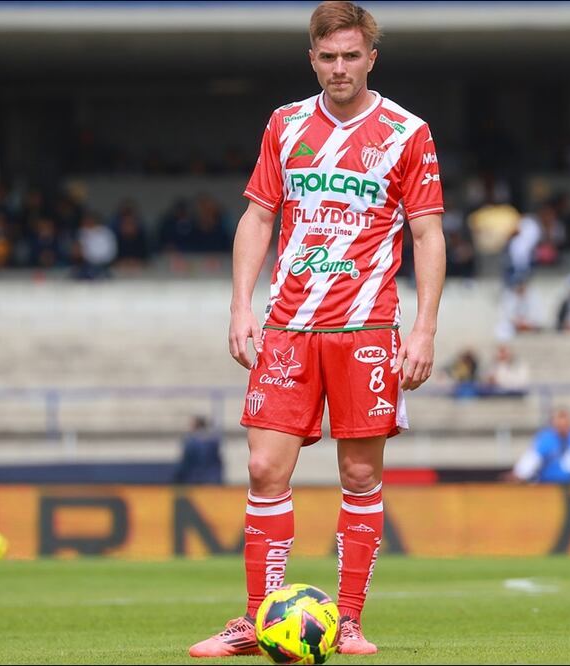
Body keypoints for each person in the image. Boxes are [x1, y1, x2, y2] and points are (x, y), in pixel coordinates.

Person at [190, 2, 445, 658]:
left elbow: (426, 232)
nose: (339, 68)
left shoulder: (406, 132)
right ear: (312, 59)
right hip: (289, 329)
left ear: (370, 59)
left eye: (350, 56)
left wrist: (423, 330)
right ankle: (254, 620)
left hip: (365, 328)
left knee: (359, 475)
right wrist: (241, 307)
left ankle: (350, 620)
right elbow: (257, 218)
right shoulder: (284, 125)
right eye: (327, 57)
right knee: (262, 467)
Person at [173, 416, 225, 485]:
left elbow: (186, 463)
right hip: (212, 481)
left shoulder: (191, 442)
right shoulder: (214, 442)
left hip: (194, 480)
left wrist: (176, 478)